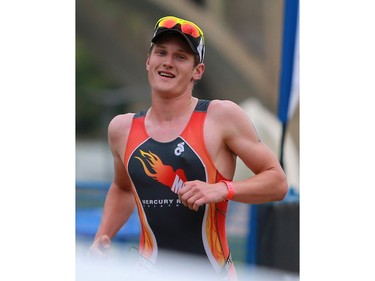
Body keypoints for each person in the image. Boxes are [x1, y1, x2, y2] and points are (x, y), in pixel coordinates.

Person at [88, 15, 288, 280]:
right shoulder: (122, 129)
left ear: (198, 71)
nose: (168, 62)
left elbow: (277, 183)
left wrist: (223, 189)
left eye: (181, 57)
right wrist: (103, 235)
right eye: (161, 53)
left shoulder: (221, 117)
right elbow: (123, 188)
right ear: (149, 61)